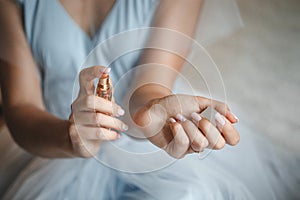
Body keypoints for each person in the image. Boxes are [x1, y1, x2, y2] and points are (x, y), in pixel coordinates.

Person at [0, 0, 299, 199]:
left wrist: (152, 112)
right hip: (52, 147)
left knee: (191, 193)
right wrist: (71, 138)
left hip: (142, 143)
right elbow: (21, 107)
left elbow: (150, 85)